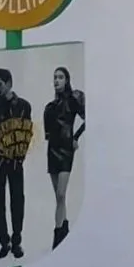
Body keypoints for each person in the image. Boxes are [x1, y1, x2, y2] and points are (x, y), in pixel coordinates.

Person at [0, 65, 34, 260]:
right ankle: (4, 242)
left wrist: (21, 155)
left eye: (1, 85)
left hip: (15, 160)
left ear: (9, 83)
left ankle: (17, 240)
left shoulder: (23, 105)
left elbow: (27, 131)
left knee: (17, 200)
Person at [44, 65, 86, 249]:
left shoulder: (75, 97)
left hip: (66, 150)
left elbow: (88, 117)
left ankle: (59, 231)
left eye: (60, 77)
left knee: (61, 193)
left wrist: (76, 137)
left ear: (67, 79)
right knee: (58, 197)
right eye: (54, 77)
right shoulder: (50, 107)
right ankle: (62, 229)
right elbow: (47, 133)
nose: (56, 80)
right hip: (52, 149)